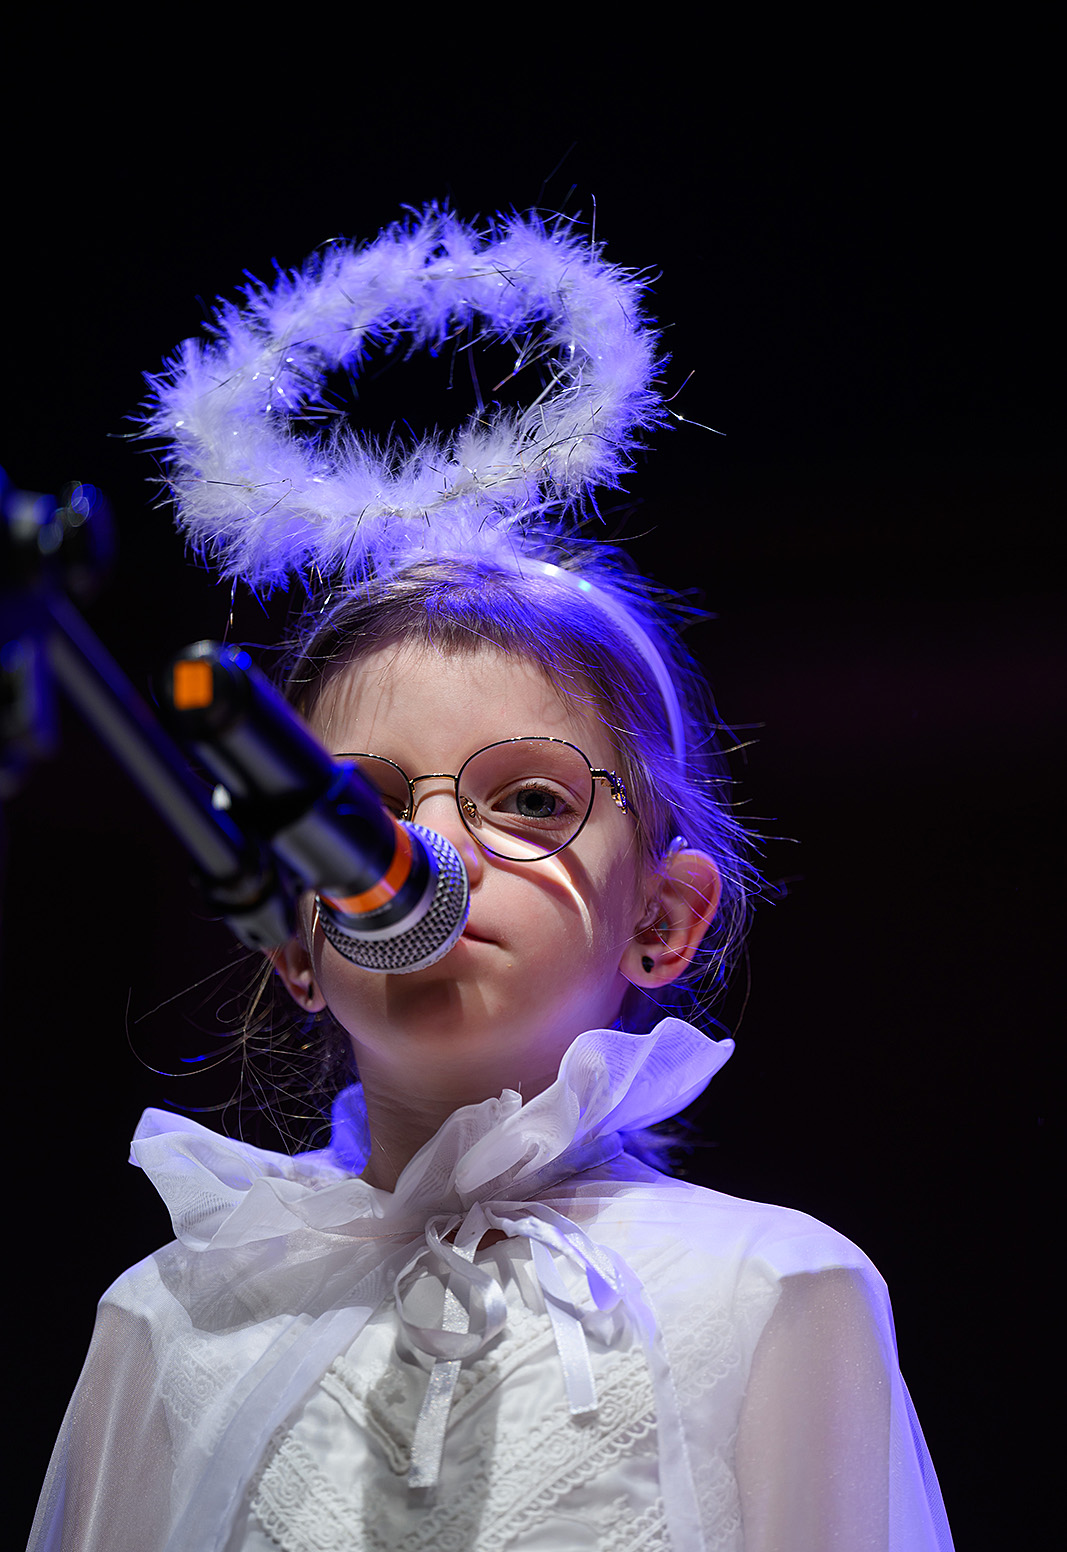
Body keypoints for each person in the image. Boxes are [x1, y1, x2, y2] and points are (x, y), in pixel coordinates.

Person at [28, 212, 955, 1551]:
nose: (437, 849)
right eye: (366, 807)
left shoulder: (772, 1290)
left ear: (662, 919)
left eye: (529, 799)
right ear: (292, 937)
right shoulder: (170, 1321)